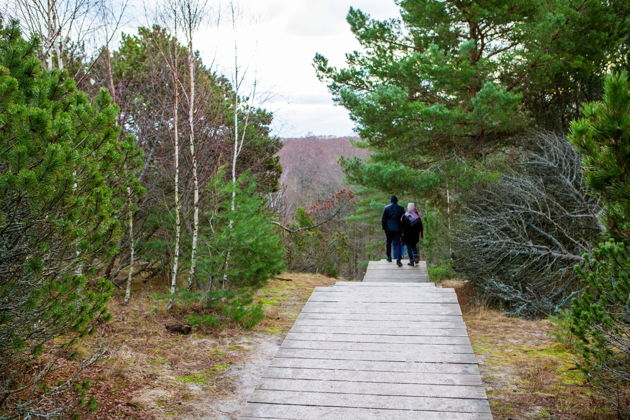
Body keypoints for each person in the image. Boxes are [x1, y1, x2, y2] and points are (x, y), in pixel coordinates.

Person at [381, 195, 405, 267]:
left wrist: (384, 228)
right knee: (398, 244)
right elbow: (404, 220)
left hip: (388, 229)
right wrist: (403, 229)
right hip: (398, 229)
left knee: (388, 243)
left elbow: (383, 219)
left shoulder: (386, 208)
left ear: (391, 201)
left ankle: (389, 257)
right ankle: (398, 260)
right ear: (397, 201)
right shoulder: (401, 209)